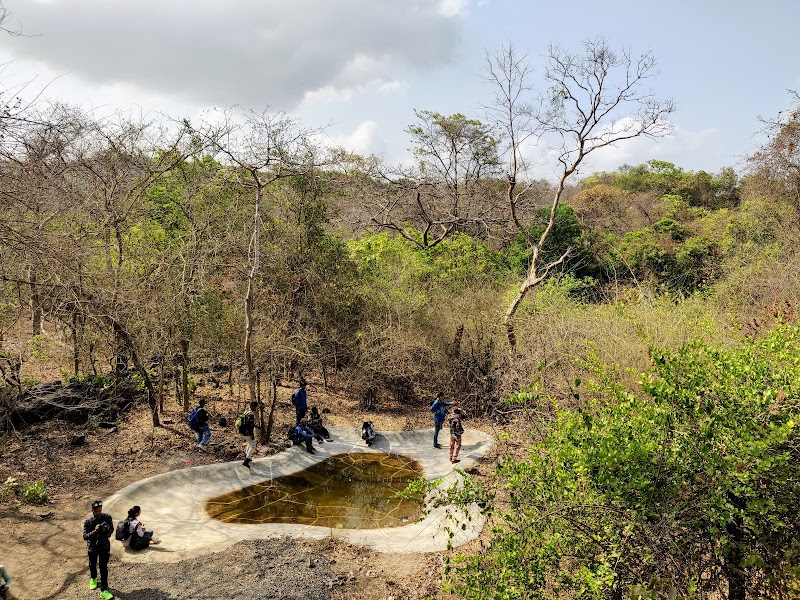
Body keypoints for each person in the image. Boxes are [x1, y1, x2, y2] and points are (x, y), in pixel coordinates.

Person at [82, 499, 114, 600]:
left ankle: (104, 590)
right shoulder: (88, 521)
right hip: (93, 547)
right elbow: (85, 536)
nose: (98, 513)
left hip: (104, 546)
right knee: (92, 564)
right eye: (96, 511)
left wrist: (106, 530)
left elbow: (111, 530)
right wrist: (95, 532)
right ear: (92, 510)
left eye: (100, 511)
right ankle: (93, 578)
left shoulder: (107, 517)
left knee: (103, 567)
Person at [237, 401, 260, 468]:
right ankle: (246, 460)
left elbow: (251, 423)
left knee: (250, 443)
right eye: (256, 407)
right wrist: (252, 434)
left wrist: (257, 426)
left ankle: (247, 456)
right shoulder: (251, 414)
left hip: (242, 431)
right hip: (247, 433)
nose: (256, 408)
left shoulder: (246, 412)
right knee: (253, 445)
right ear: (252, 407)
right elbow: (249, 425)